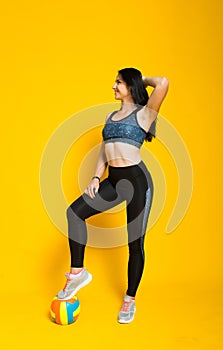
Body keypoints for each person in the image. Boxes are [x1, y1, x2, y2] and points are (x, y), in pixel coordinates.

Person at [56, 68, 169, 323]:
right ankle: (77, 273)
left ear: (130, 84)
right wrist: (96, 177)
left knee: (134, 244)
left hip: (138, 182)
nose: (113, 86)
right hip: (114, 181)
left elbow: (163, 82)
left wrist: (139, 80)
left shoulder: (145, 114)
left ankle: (130, 299)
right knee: (74, 213)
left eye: (118, 82)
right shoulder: (111, 116)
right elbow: (103, 151)